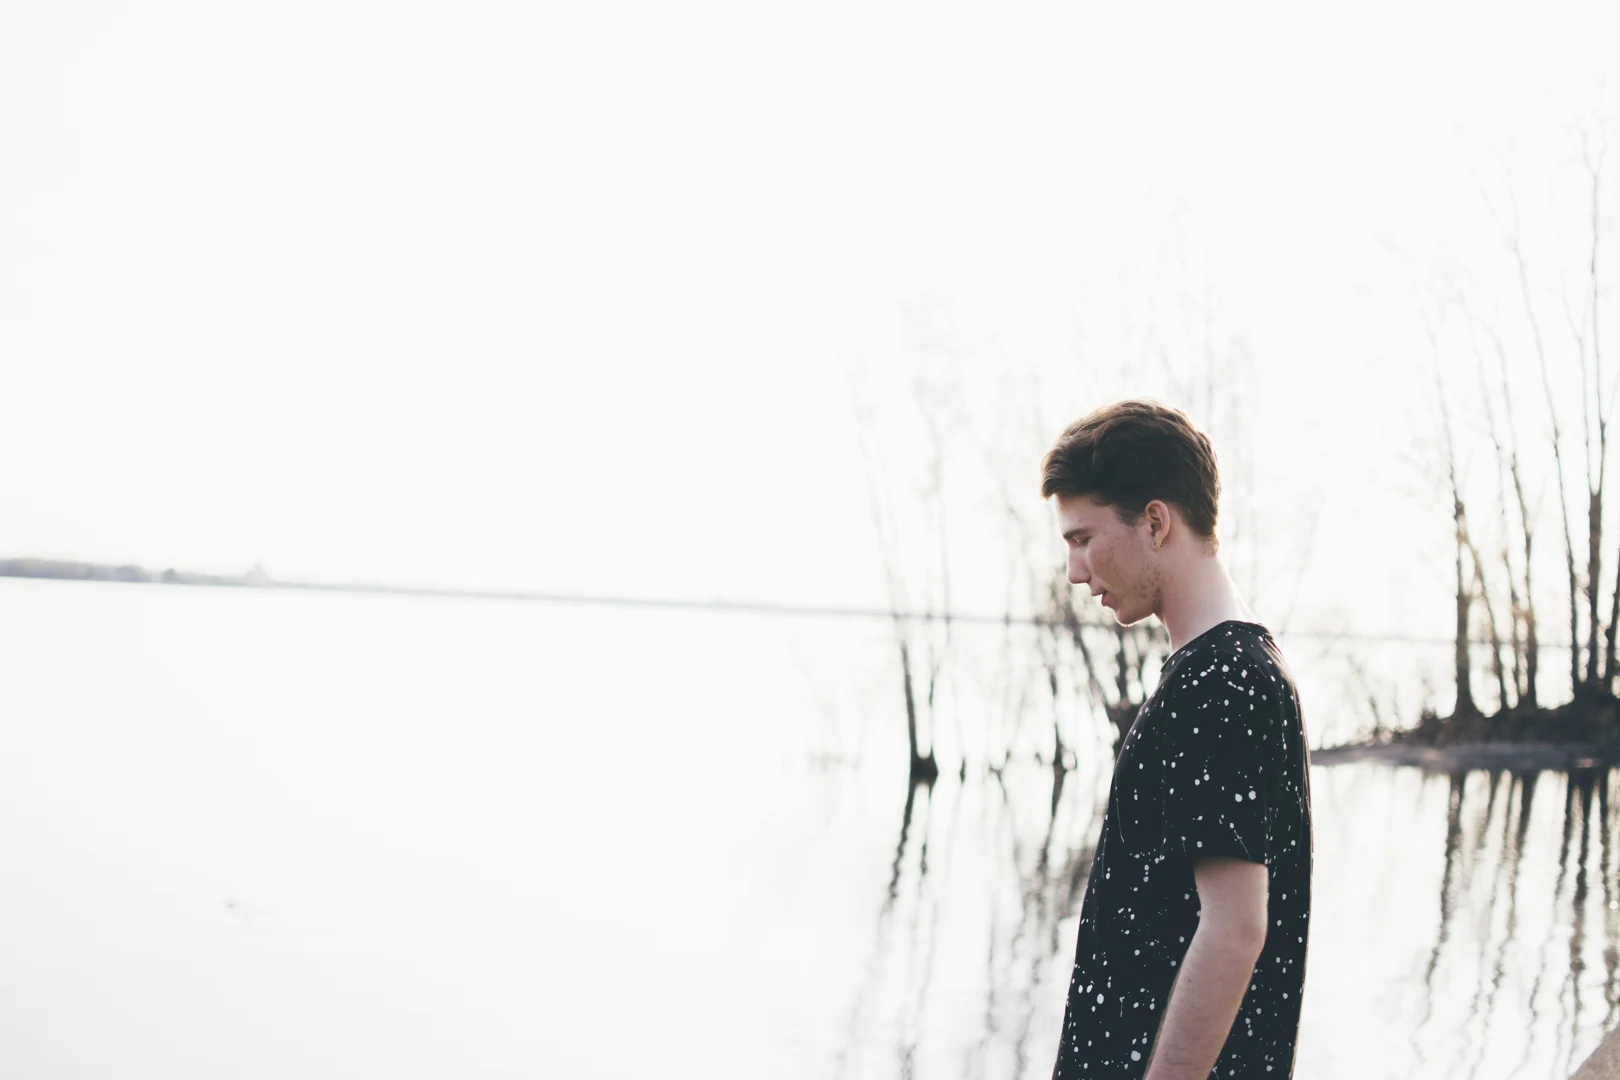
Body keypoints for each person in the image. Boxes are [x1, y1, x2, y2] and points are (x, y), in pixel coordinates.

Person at [1041, 399, 1313, 1079]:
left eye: (1083, 538)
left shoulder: (1220, 682)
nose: (1075, 571)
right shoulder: (1229, 670)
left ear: (1155, 522)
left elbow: (1235, 931)